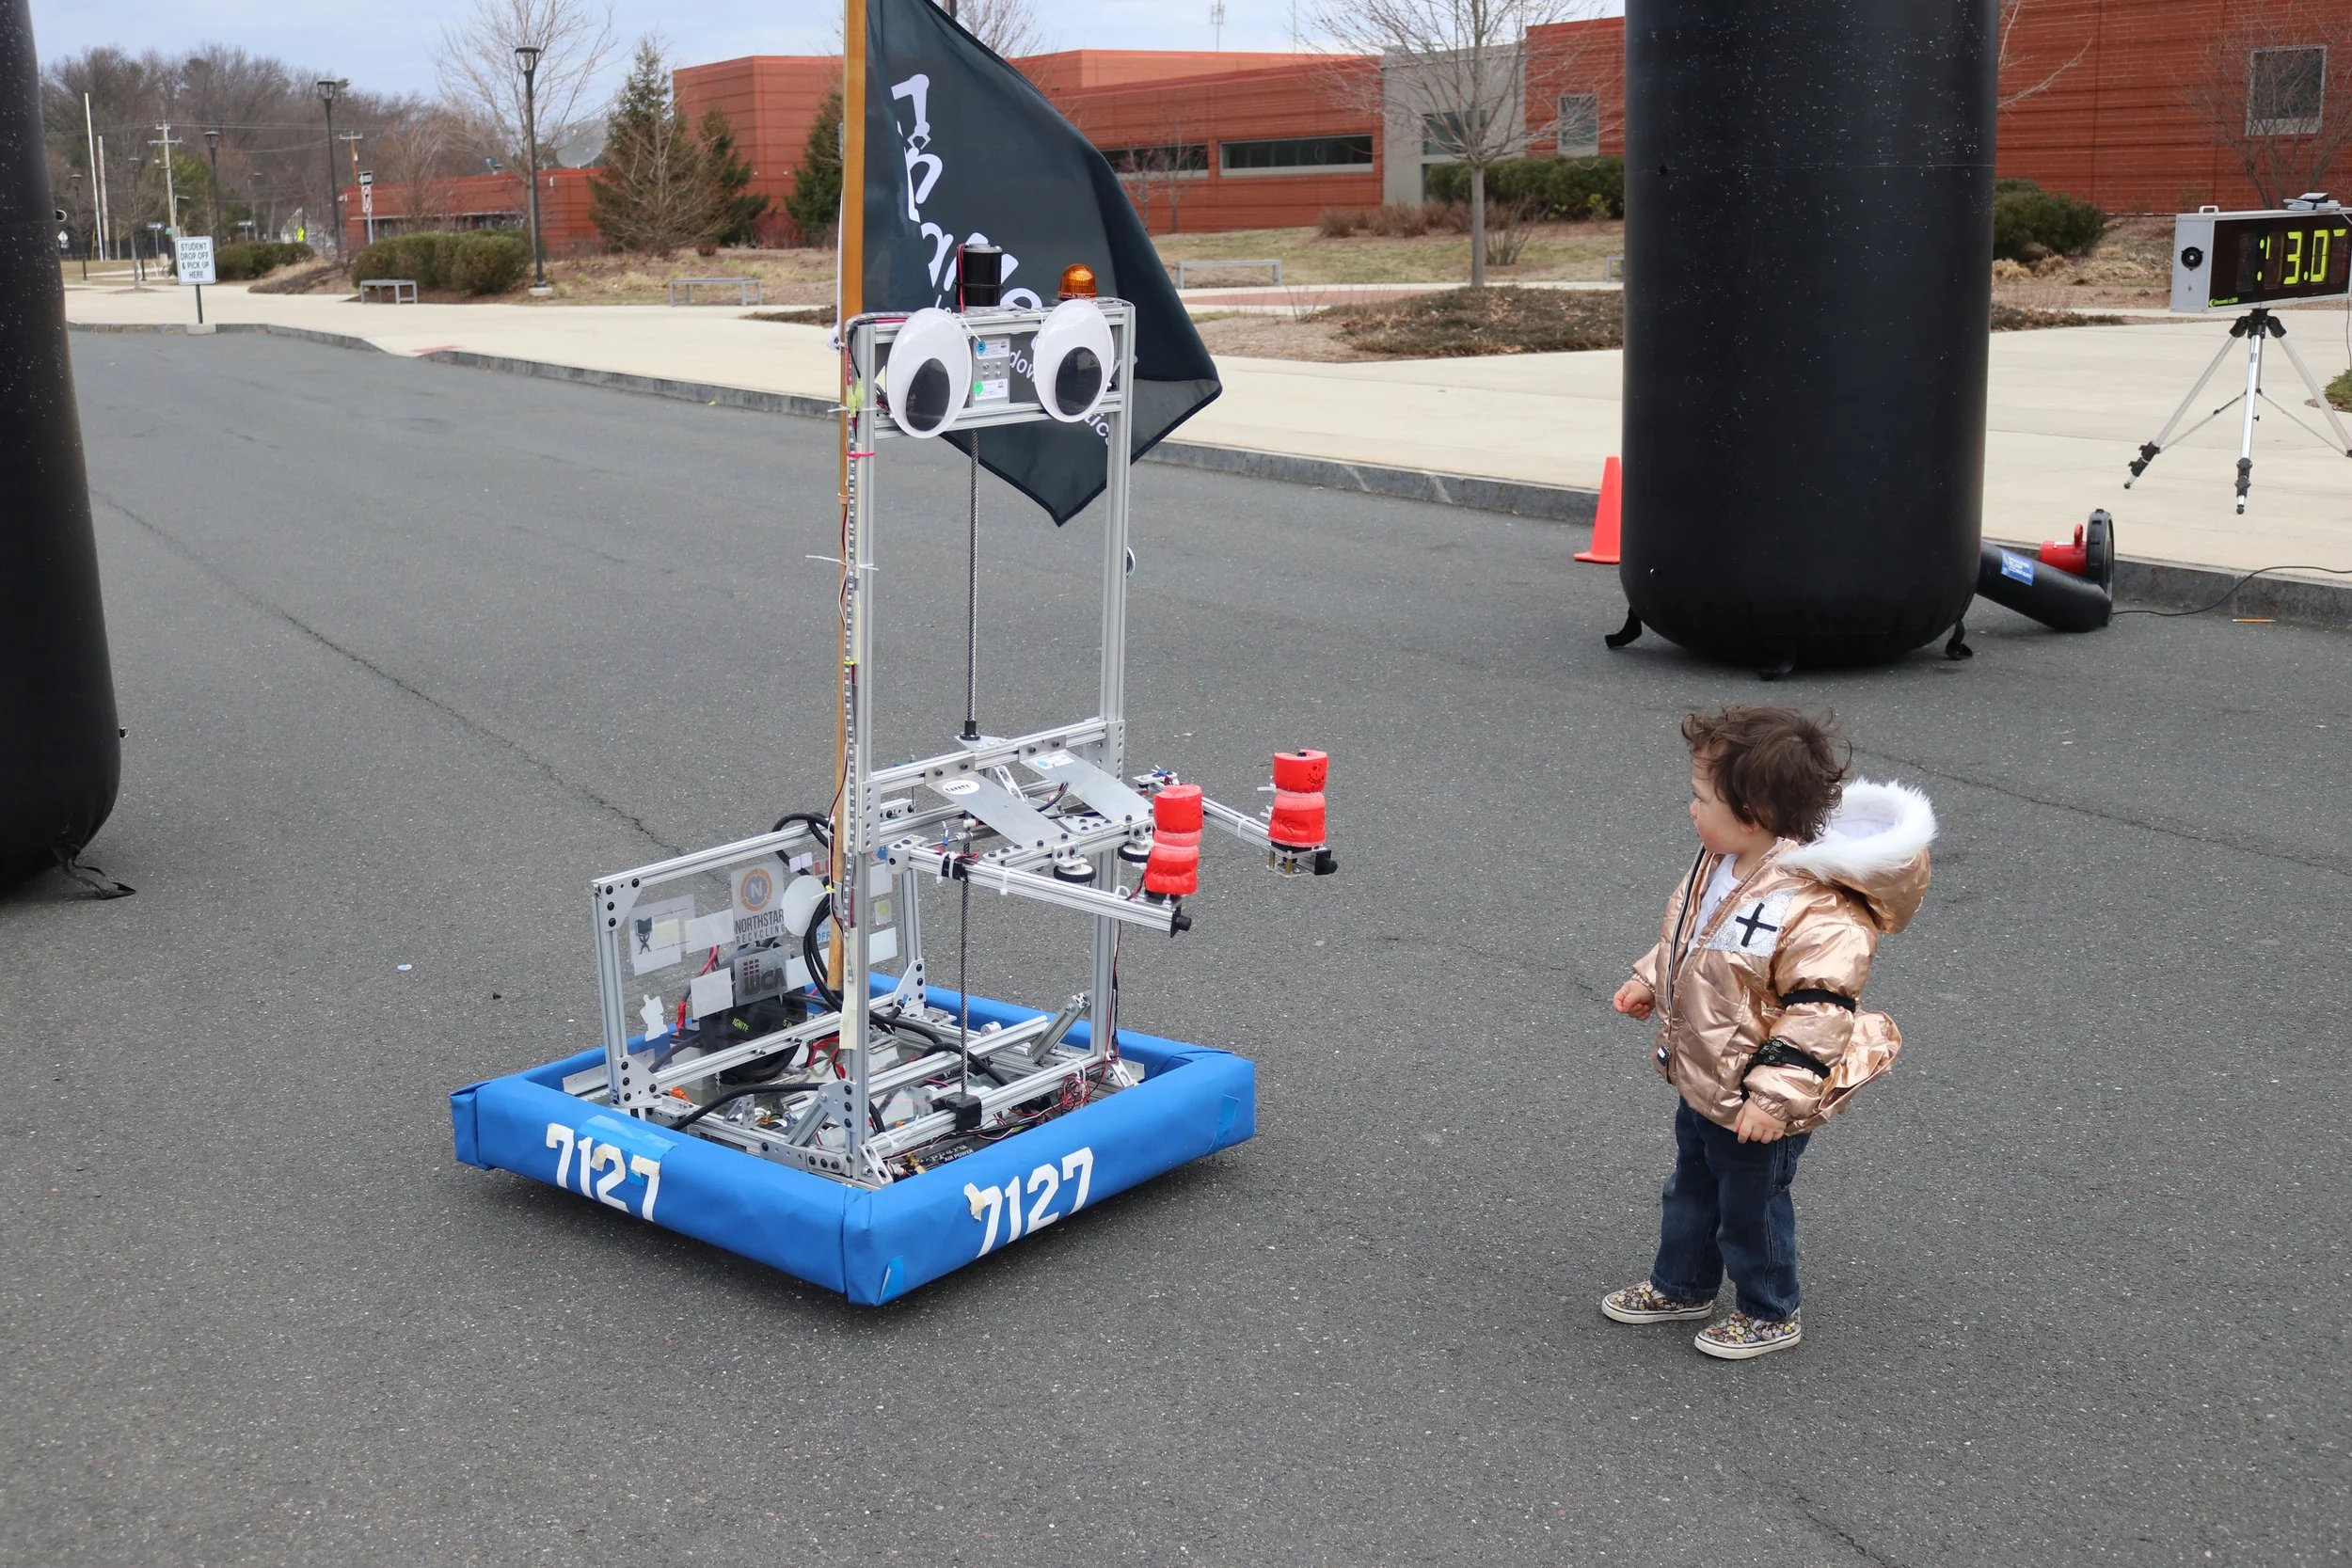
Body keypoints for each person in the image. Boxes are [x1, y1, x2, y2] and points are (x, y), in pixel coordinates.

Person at [1603, 706, 1933, 1360]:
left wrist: (1773, 1097)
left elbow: (1821, 1008)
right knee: (1693, 1181)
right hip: (1705, 1073)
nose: (1691, 809)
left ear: (1751, 813)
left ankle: (1769, 1307)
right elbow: (1693, 941)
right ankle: (1683, 1283)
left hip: (1758, 1095)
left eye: (1702, 798)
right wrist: (1650, 976)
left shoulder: (1816, 904)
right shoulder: (1721, 861)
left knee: (1752, 1203)